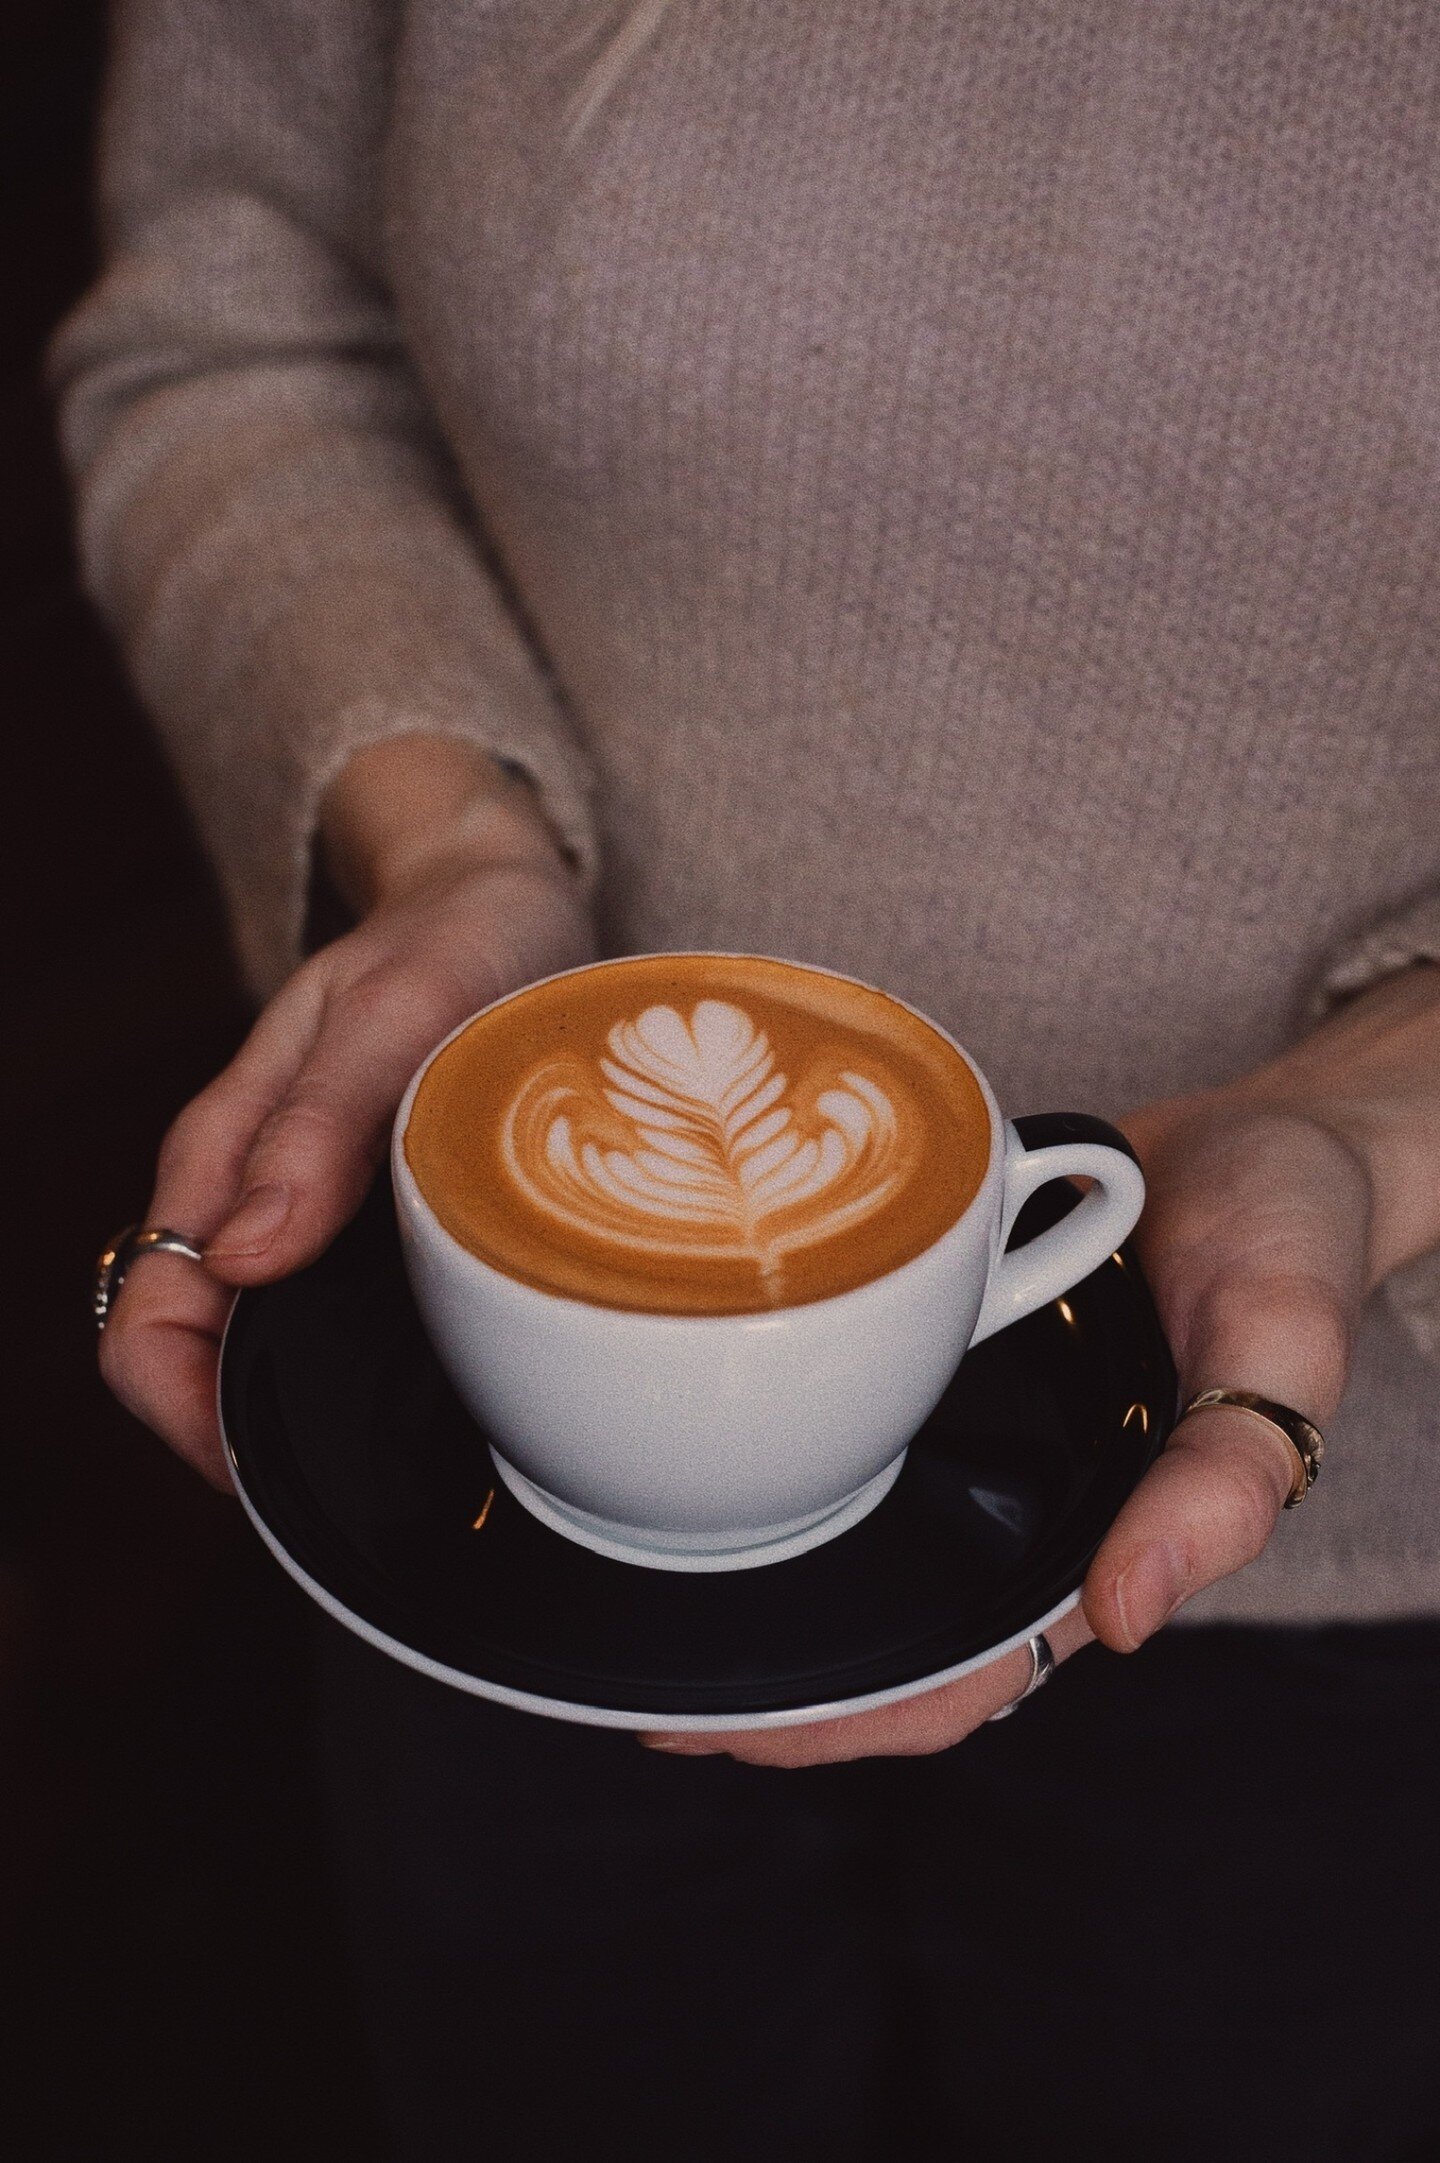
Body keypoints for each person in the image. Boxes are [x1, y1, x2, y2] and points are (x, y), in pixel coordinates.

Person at [54, 3, 1440, 2155]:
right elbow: (240, 326)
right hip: (490, 1498)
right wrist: (456, 841)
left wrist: (1386, 1102)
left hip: (1376, 1566)